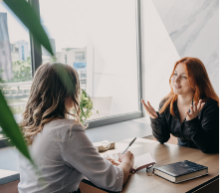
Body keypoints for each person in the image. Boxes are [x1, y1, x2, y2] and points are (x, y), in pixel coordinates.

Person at [18, 63, 134, 193]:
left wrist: (95, 164)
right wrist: (127, 160)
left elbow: (54, 169)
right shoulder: (66, 130)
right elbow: (113, 180)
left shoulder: (32, 127)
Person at [142, 57, 219, 153]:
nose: (176, 80)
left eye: (184, 76)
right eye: (175, 74)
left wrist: (192, 122)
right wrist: (155, 119)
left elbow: (208, 147)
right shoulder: (166, 103)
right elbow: (163, 138)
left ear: (196, 82)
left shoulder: (209, 106)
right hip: (182, 157)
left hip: (209, 158)